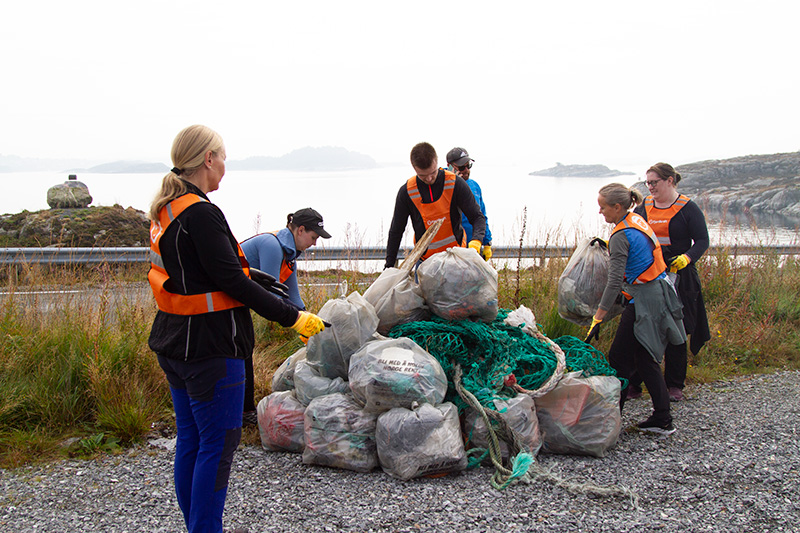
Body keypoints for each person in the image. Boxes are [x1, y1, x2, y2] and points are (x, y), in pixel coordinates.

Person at [147, 125, 325, 533]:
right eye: (222, 157)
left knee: (191, 440)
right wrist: (292, 316)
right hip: (210, 348)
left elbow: (209, 272)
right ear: (208, 159)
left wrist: (264, 283)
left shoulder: (167, 211)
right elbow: (232, 282)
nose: (224, 166)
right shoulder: (202, 214)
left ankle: (197, 526)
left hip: (173, 342)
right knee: (217, 445)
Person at [586, 183, 686, 435]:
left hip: (646, 300)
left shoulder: (620, 235)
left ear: (617, 206)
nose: (600, 212)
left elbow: (614, 279)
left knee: (619, 358)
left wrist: (599, 316)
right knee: (643, 357)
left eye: (603, 207)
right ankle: (662, 418)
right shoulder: (635, 220)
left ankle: (611, 422)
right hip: (658, 291)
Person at [627, 163, 711, 402]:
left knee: (677, 329)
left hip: (680, 276)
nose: (650, 187)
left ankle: (674, 384)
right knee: (642, 326)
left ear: (670, 181)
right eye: (648, 183)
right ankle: (635, 382)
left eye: (654, 182)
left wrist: (687, 258)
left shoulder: (688, 208)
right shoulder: (645, 207)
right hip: (650, 275)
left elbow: (703, 241)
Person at [238, 208, 331, 425]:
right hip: (224, 301)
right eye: (314, 237)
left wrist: (312, 322)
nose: (315, 244)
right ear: (300, 230)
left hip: (239, 302)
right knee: (241, 350)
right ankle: (243, 412)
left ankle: (244, 411)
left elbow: (293, 299)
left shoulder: (289, 255)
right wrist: (298, 322)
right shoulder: (272, 246)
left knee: (244, 349)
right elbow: (270, 299)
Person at [384, 142, 487, 269]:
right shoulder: (407, 192)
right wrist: (388, 266)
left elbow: (477, 217)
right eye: (423, 175)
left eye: (432, 173)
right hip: (425, 263)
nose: (429, 179)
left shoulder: (455, 184)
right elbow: (396, 231)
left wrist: (477, 240)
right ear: (414, 168)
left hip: (457, 260)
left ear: (437, 161)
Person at [446, 147, 493, 260]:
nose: (466, 170)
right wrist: (454, 183)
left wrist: (486, 243)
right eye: (462, 167)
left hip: (473, 247)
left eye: (468, 166)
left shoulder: (474, 186)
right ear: (450, 166)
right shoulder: (442, 186)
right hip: (451, 249)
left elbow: (481, 216)